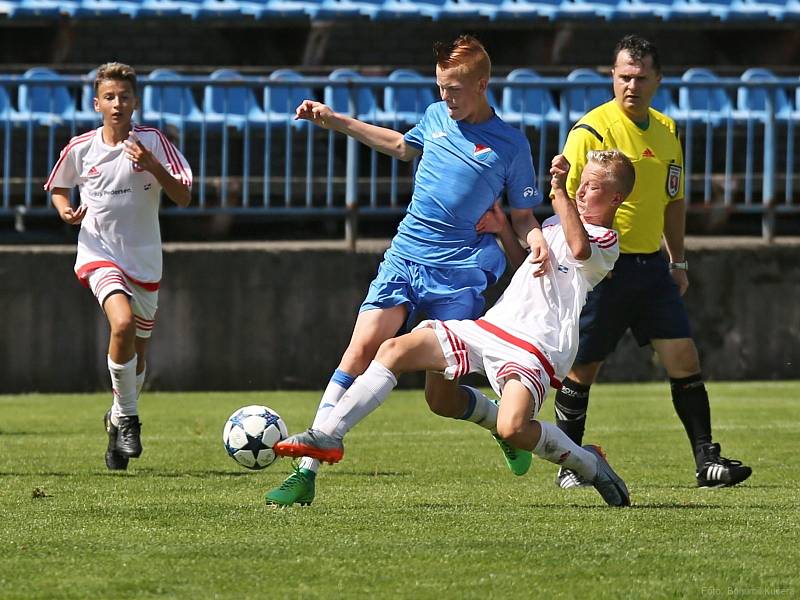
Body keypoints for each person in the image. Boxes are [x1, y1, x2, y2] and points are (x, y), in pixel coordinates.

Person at [265, 35, 548, 506]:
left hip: (459, 271)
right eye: (440, 87)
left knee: (441, 399)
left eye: (455, 89)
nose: (445, 98)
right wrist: (333, 120)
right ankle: (307, 468)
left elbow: (522, 216)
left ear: (482, 84)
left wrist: (535, 238)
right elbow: (400, 145)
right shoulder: (437, 118)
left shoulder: (512, 145)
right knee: (360, 349)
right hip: (405, 257)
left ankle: (495, 421)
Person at [274, 150, 635, 508]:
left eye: (592, 186)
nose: (583, 191)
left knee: (513, 428)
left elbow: (578, 248)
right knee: (403, 359)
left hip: (537, 345)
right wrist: (504, 229)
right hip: (495, 325)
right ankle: (330, 435)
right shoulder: (559, 223)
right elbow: (528, 266)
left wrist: (558, 192)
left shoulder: (606, 241)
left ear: (615, 197)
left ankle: (589, 463)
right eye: (581, 184)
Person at [551, 35, 751, 490]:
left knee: (684, 357)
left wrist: (677, 262)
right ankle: (570, 462)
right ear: (612, 77)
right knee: (584, 368)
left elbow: (673, 199)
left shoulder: (666, 130)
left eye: (641, 78)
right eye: (624, 77)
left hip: (651, 270)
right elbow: (564, 198)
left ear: (658, 80)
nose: (631, 86)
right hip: (604, 270)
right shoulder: (591, 131)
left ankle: (707, 462)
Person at [45, 62, 192, 471]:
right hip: (98, 253)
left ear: (135, 102)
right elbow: (58, 186)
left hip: (144, 258)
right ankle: (128, 419)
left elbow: (183, 196)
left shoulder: (153, 142)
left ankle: (115, 417)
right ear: (97, 104)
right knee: (122, 325)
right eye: (109, 97)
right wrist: (65, 211)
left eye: (124, 97)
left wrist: (152, 165)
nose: (117, 103)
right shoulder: (82, 147)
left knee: (138, 357)